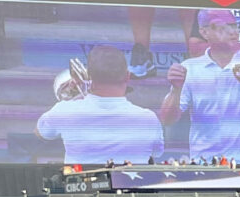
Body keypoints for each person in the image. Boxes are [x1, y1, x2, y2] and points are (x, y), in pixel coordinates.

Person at [34, 45, 163, 166]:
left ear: (90, 76)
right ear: (127, 76)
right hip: (130, 188)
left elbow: (41, 132)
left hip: (82, 188)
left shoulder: (65, 110)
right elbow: (157, 153)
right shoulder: (148, 119)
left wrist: (75, 98)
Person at [159, 10, 240, 159]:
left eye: (235, 26)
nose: (233, 32)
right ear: (204, 32)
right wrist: (176, 90)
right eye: (224, 27)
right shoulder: (189, 68)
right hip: (206, 161)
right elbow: (167, 119)